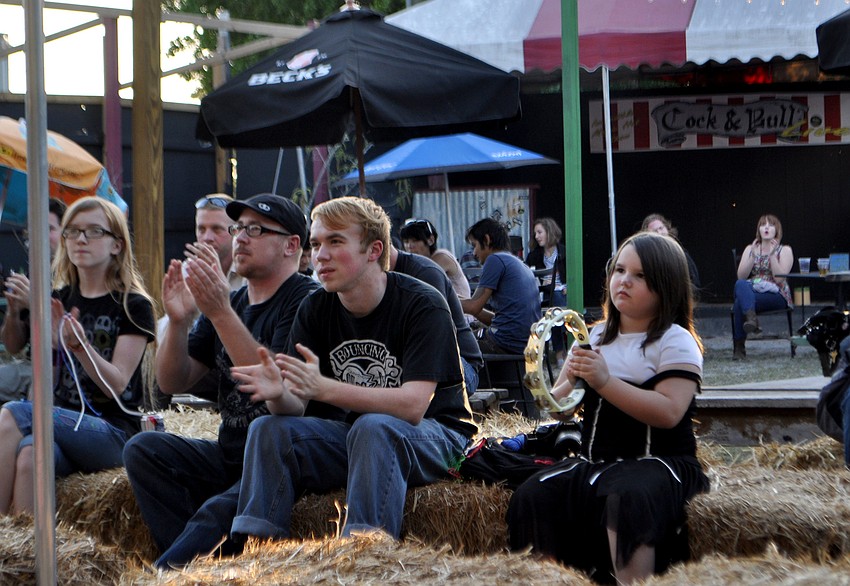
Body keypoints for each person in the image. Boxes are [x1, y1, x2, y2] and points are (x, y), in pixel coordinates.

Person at [228, 196, 477, 543]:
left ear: (374, 250)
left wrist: (324, 388)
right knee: (268, 428)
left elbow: (413, 405)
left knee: (373, 427)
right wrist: (278, 395)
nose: (320, 256)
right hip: (359, 439)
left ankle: (363, 556)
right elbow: (296, 408)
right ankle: (256, 552)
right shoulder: (315, 307)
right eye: (315, 244)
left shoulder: (422, 303)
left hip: (440, 438)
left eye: (335, 242)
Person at [123, 193, 320, 568]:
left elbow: (275, 385)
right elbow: (171, 381)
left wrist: (219, 312)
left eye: (256, 230)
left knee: (214, 513)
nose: (240, 238)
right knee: (144, 449)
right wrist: (179, 324)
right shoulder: (235, 300)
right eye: (239, 228)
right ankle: (202, 568)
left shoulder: (306, 300)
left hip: (274, 465)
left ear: (292, 245)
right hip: (231, 454)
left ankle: (172, 573)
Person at [507, 231, 709, 585]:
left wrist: (604, 382)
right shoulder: (596, 336)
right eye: (619, 271)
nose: (624, 282)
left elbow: (669, 412)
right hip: (595, 464)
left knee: (627, 496)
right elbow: (559, 410)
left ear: (667, 285)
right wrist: (567, 379)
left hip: (658, 463)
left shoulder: (676, 340)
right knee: (533, 494)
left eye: (640, 275)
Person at [0, 197, 155, 516]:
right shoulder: (59, 298)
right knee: (30, 455)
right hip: (62, 421)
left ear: (116, 245)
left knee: (12, 413)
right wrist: (48, 339)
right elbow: (43, 376)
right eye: (72, 231)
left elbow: (119, 384)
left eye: (94, 231)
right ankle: (24, 556)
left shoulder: (133, 305)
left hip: (112, 432)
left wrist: (80, 347)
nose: (81, 239)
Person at [155, 194, 242, 404]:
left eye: (216, 229)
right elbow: (166, 333)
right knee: (154, 366)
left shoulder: (248, 273)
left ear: (235, 232)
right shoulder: (186, 271)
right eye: (201, 229)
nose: (207, 237)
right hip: (202, 366)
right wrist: (180, 320)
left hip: (238, 367)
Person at [390, 244, 483, 395]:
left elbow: (439, 344)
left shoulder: (427, 273)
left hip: (460, 364)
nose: (410, 245)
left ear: (375, 249)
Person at [0, 197, 67, 405]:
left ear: (67, 234)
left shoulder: (75, 276)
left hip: (61, 370)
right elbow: (13, 347)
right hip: (29, 366)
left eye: (49, 229)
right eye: (35, 230)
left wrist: (34, 303)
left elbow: (70, 339)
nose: (41, 237)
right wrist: (12, 311)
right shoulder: (34, 274)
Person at [460, 218, 541, 354]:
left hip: (504, 342)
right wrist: (457, 298)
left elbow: (473, 306)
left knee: (452, 343)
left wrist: (445, 298)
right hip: (526, 343)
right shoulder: (517, 262)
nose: (474, 253)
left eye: (475, 245)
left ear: (486, 240)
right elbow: (499, 318)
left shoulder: (495, 259)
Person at [731, 213, 794, 360]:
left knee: (740, 302)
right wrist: (752, 255)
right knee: (740, 285)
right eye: (762, 224)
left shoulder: (784, 250)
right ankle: (752, 318)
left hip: (776, 294)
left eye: (770, 225)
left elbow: (779, 279)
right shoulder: (750, 248)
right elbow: (741, 276)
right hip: (753, 292)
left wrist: (772, 255)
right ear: (758, 229)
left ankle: (739, 348)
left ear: (776, 229)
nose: (766, 227)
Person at [525, 217, 567, 365]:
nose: (536, 237)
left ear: (549, 232)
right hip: (542, 294)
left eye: (539, 232)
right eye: (535, 233)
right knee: (554, 309)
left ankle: (558, 352)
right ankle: (560, 353)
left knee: (555, 304)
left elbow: (573, 276)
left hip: (562, 294)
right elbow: (528, 278)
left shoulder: (564, 252)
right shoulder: (533, 255)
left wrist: (566, 287)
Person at [399, 218, 471, 300]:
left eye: (415, 241)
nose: (410, 246)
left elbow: (419, 285)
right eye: (406, 241)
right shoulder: (417, 262)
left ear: (431, 240)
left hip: (459, 309)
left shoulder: (441, 257)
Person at [641, 213, 701, 291]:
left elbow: (694, 283)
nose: (659, 232)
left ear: (667, 228)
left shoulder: (680, 254)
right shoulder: (646, 258)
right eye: (655, 231)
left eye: (661, 228)